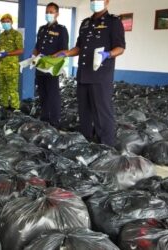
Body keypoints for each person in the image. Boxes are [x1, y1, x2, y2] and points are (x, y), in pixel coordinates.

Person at [54, 0, 125, 147]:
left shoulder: (113, 22)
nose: (94, 2)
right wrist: (66, 53)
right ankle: (85, 142)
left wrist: (108, 54)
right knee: (84, 110)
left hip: (100, 75)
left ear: (106, 2)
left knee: (102, 111)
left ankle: (106, 146)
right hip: (83, 73)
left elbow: (120, 47)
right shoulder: (85, 23)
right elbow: (79, 48)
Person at [33, 2, 69, 128]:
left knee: (53, 94)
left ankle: (54, 122)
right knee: (42, 93)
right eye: (47, 12)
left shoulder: (61, 30)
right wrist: (34, 57)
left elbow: (64, 50)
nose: (48, 14)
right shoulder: (42, 29)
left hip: (52, 68)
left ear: (57, 14)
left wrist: (52, 59)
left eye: (51, 12)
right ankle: (44, 118)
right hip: (40, 66)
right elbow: (37, 47)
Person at [0, 13, 24, 111]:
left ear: (12, 22)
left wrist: (7, 54)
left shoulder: (16, 34)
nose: (5, 23)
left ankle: (15, 108)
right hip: (1, 66)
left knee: (12, 89)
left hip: (11, 67)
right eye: (3, 22)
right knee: (2, 88)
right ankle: (4, 107)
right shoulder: (1, 36)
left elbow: (21, 50)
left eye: (7, 22)